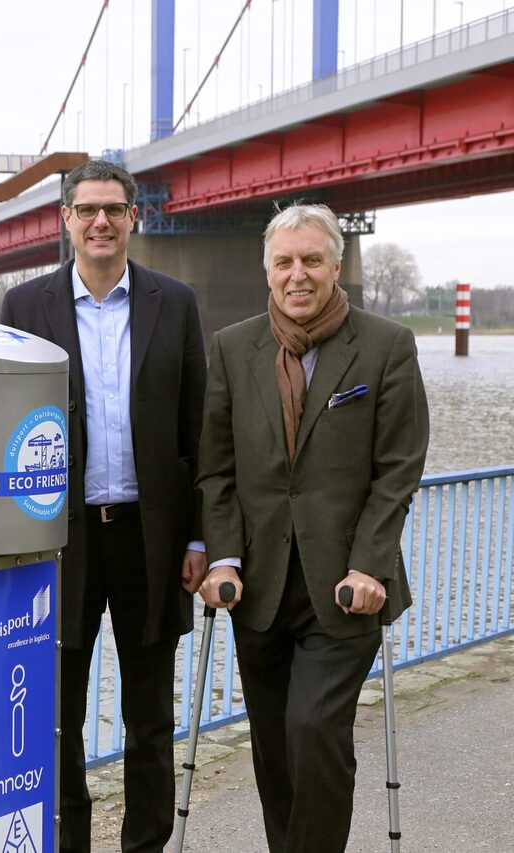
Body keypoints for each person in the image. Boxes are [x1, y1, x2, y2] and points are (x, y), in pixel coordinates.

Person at [197, 202, 429, 852]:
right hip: (259, 585)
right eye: (284, 262)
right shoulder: (233, 348)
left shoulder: (386, 345)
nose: (297, 274)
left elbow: (398, 468)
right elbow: (216, 469)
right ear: (267, 270)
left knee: (313, 729)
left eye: (311, 260)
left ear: (335, 265)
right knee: (274, 746)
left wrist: (370, 564)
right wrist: (222, 556)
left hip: (347, 586)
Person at [0, 159, 208, 853]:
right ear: (66, 219)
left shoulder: (176, 303)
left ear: (133, 218)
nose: (101, 222)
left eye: (114, 209)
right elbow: (2, 425)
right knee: (57, 717)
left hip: (151, 539)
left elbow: (198, 431)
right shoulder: (23, 307)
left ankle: (145, 845)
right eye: (87, 209)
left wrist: (199, 538)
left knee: (150, 717)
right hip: (59, 541)